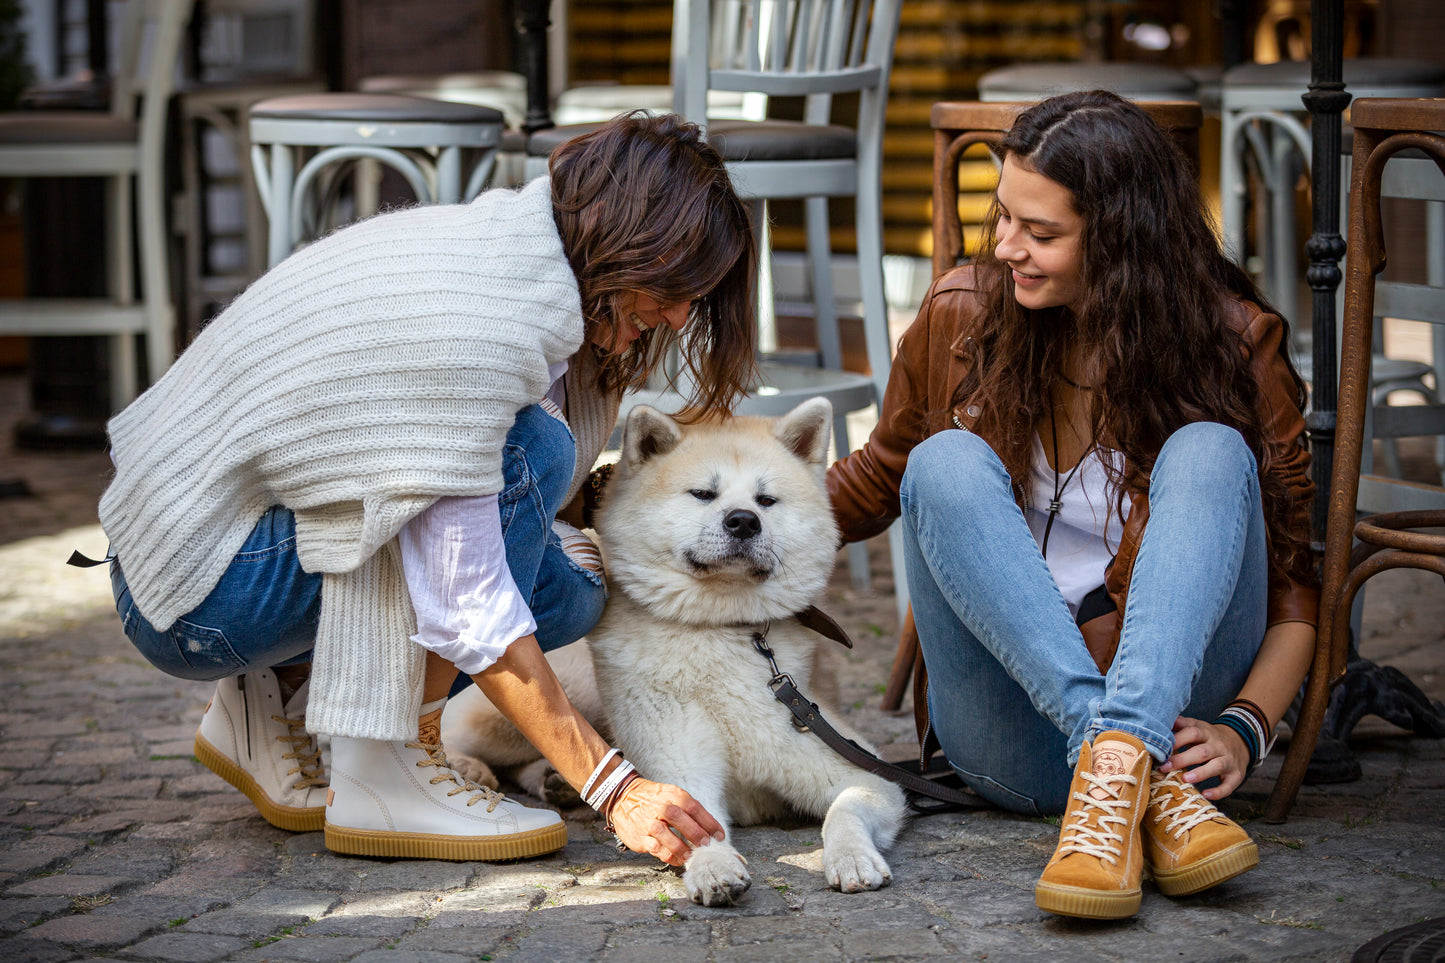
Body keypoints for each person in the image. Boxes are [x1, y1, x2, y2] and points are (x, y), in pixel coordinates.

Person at [98, 112, 754, 866]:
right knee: (523, 453)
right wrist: (613, 786)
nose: (676, 315)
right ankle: (391, 765)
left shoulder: (520, 252)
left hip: (230, 550)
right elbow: (464, 595)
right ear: (624, 237)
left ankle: (268, 698)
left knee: (570, 586)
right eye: (672, 286)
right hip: (193, 591)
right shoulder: (482, 323)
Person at [827, 91, 1317, 919]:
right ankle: (1117, 756)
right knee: (940, 461)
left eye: (1042, 233)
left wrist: (1246, 726)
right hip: (1014, 733)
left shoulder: (1233, 342)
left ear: (1122, 239)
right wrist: (685, 519)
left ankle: (1123, 755)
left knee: (1210, 448)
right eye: (1004, 219)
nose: (1009, 248)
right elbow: (876, 478)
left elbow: (1298, 581)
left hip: (1179, 721)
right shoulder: (962, 314)